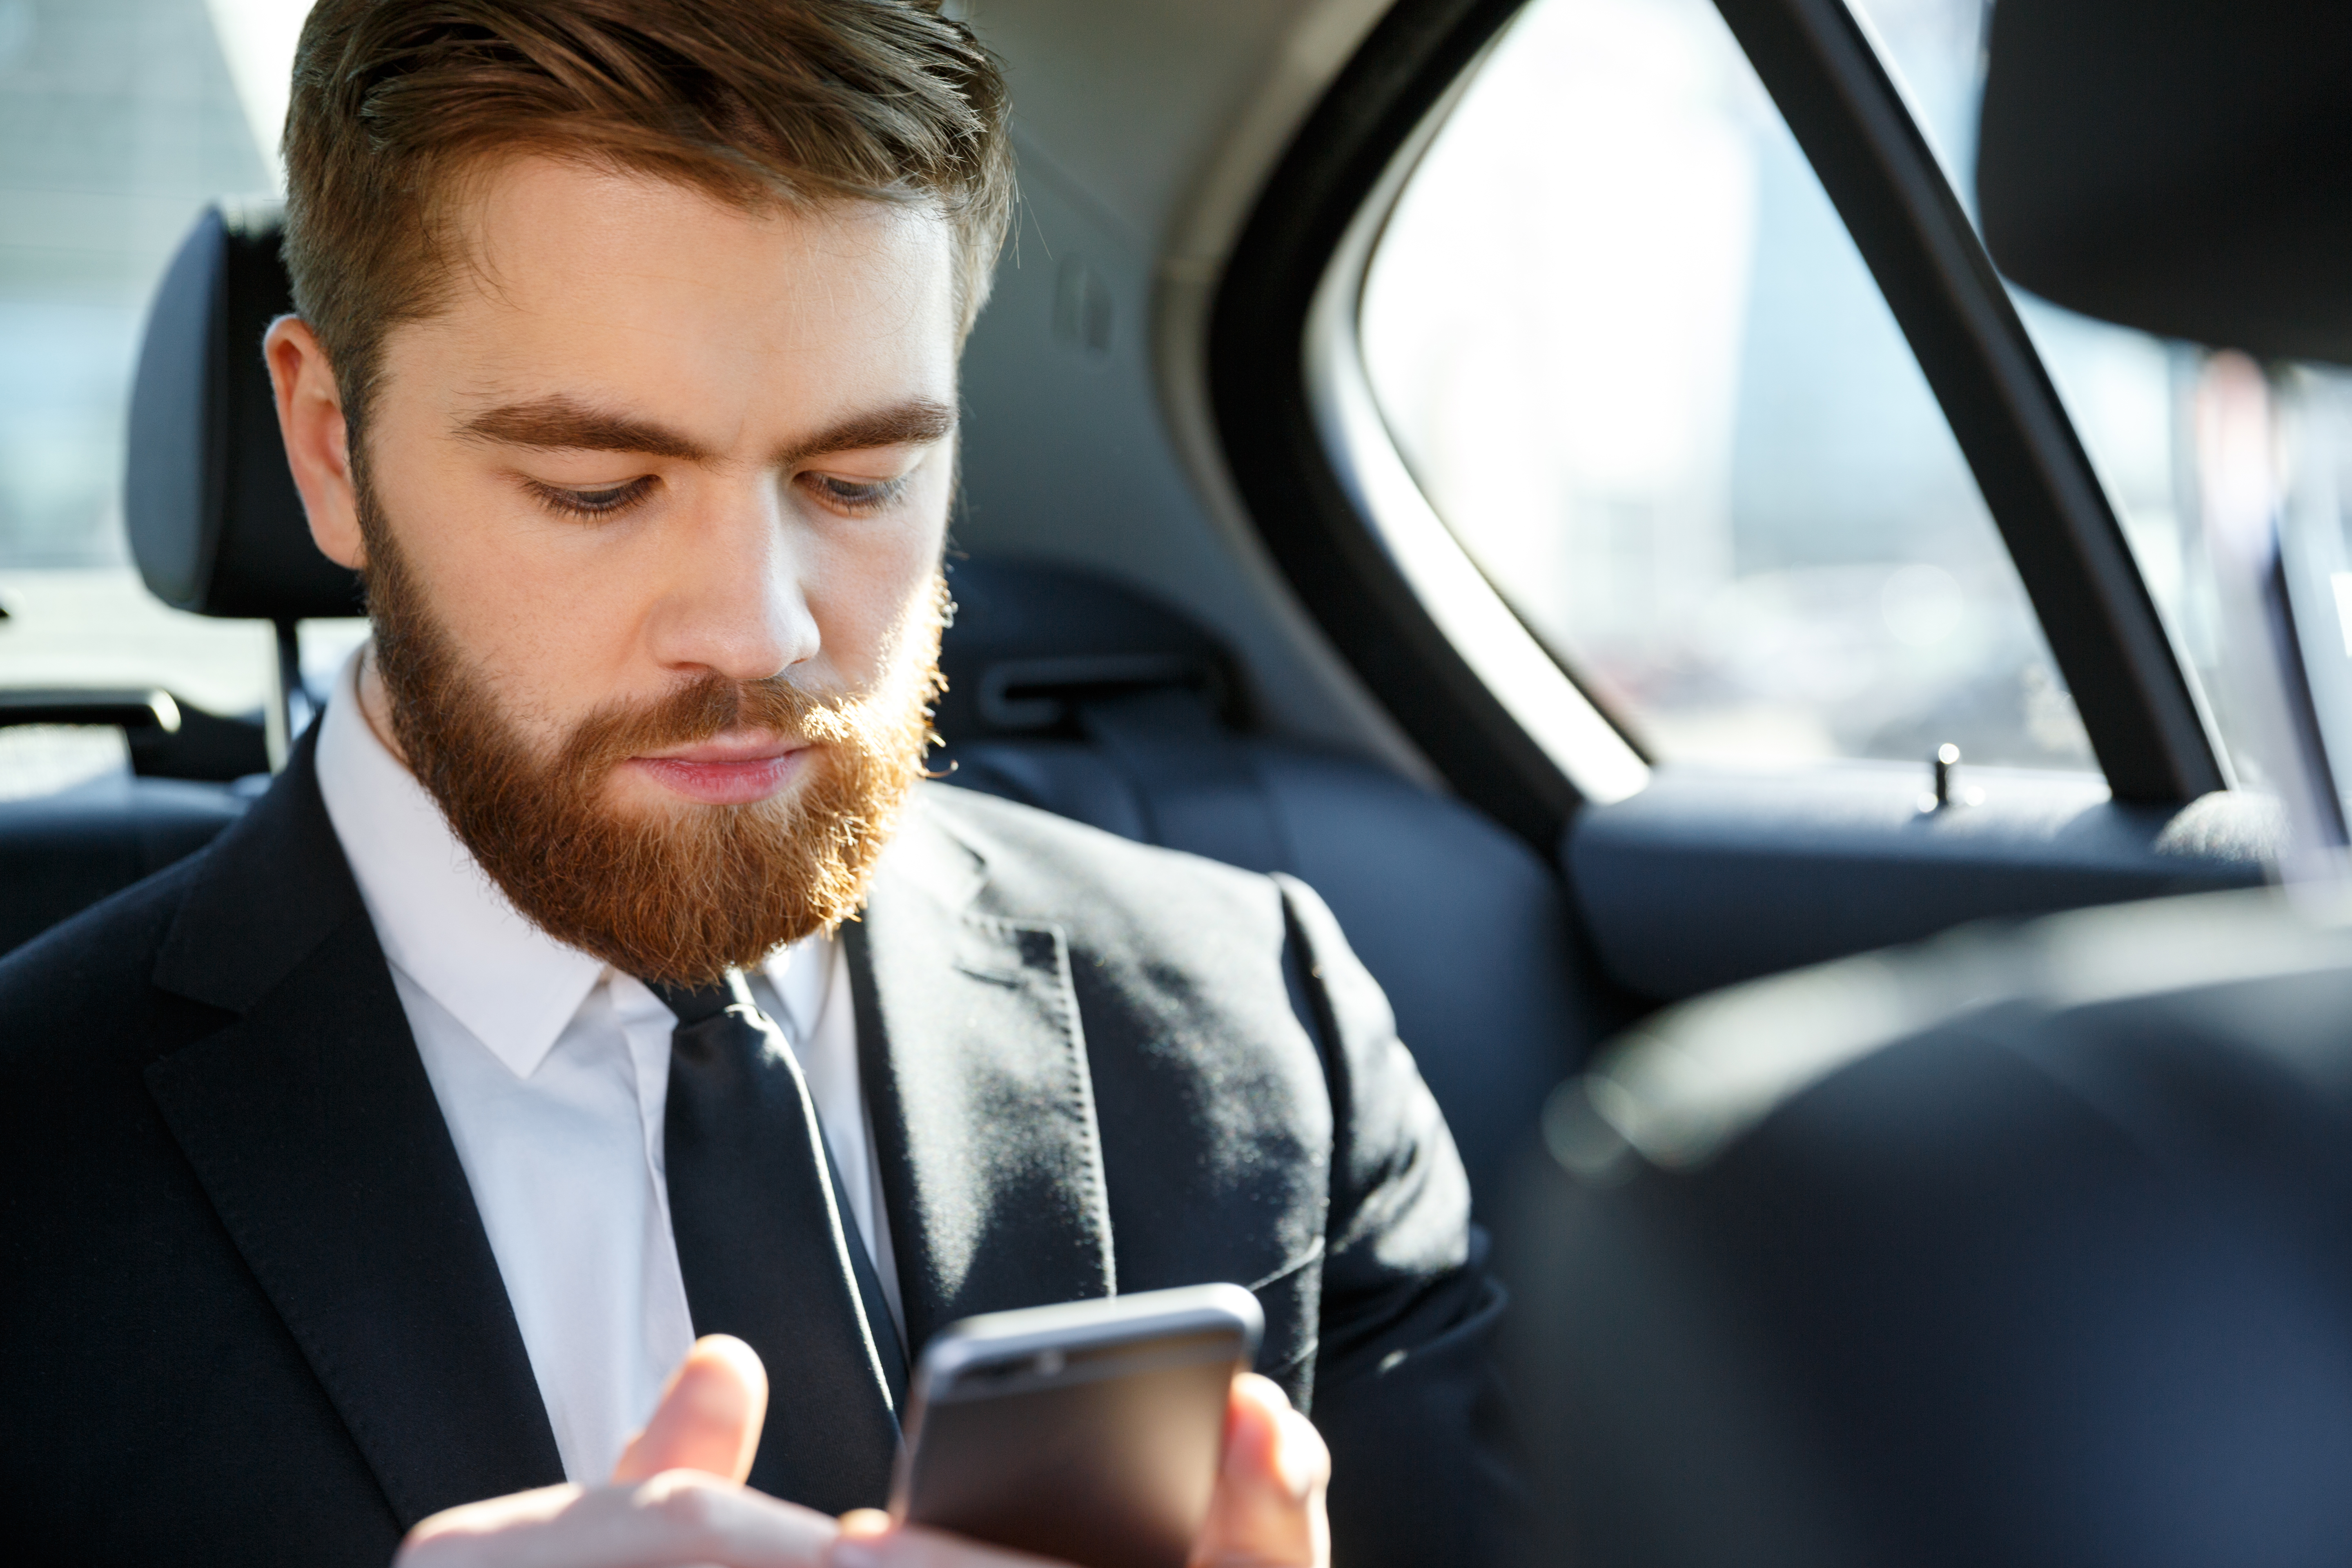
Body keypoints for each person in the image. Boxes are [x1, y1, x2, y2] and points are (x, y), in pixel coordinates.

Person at [0, 2, 1508, 1564]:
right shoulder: (33, 1182)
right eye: (598, 490)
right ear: (329, 449)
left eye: (859, 480)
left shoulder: (1258, 1027)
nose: (758, 627)